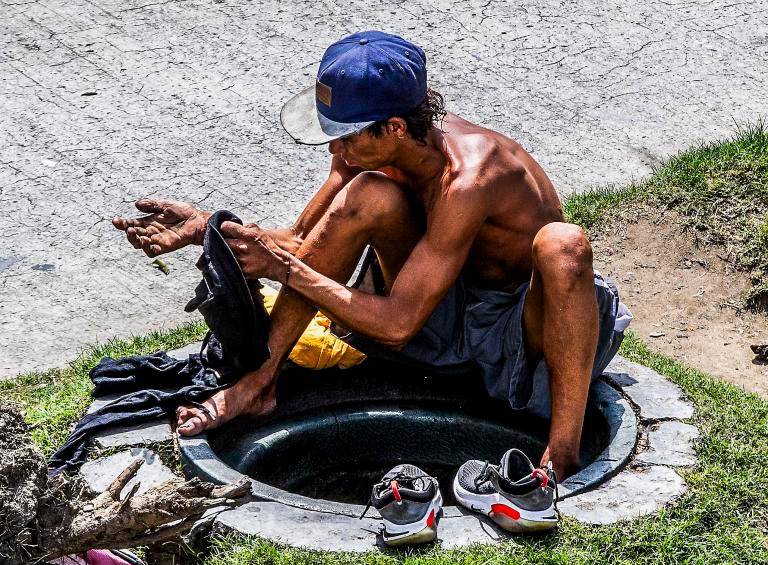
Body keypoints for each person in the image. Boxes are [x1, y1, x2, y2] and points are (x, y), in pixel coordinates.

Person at [112, 30, 629, 479]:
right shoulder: (366, 157)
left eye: (345, 139)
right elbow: (301, 246)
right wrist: (211, 228)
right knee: (368, 197)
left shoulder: (471, 178)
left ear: (396, 128)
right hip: (447, 311)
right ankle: (260, 383)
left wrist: (285, 268)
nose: (335, 153)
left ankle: (561, 455)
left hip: (529, 332)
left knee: (563, 244)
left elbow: (397, 323)